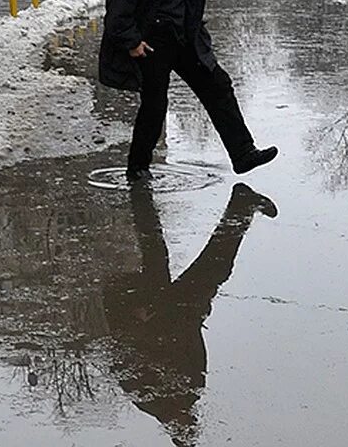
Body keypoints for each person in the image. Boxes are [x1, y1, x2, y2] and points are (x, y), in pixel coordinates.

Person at [98, 0, 277, 180]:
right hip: (151, 42)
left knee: (218, 85)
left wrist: (197, 30)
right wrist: (132, 42)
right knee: (155, 104)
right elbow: (118, 4)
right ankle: (138, 168)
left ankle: (243, 153)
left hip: (185, 37)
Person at [103, 183, 277, 446]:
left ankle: (142, 198)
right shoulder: (189, 394)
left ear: (174, 429)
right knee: (210, 268)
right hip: (169, 312)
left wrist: (135, 320)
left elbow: (120, 353)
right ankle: (240, 206)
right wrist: (198, 313)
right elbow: (193, 345)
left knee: (160, 257)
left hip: (138, 307)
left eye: (185, 426)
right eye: (192, 424)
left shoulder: (147, 397)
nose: (189, 421)